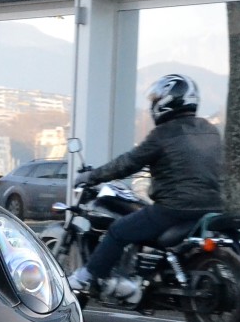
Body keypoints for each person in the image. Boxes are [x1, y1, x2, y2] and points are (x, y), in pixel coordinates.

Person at [67, 74, 225, 299]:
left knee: (118, 231)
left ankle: (86, 277)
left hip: (174, 209)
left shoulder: (163, 134)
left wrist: (92, 176)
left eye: (156, 99)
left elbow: (127, 163)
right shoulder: (209, 129)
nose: (153, 104)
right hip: (212, 208)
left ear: (167, 102)